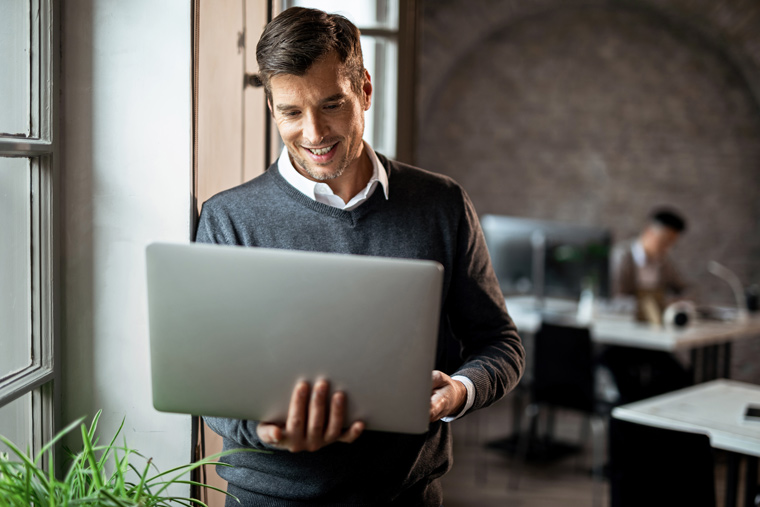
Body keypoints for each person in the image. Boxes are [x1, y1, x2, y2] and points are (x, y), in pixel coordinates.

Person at [194, 7, 525, 505]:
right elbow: (206, 378)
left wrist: (456, 393)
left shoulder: (441, 204)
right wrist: (264, 430)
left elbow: (500, 344)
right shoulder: (228, 219)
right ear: (271, 108)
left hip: (406, 498)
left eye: (332, 104)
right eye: (290, 112)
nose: (313, 134)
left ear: (364, 89)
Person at [601, 207, 692, 404]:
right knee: (630, 392)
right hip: (620, 343)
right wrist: (655, 304)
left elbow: (685, 289)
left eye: (672, 243)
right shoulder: (621, 257)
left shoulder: (663, 262)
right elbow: (614, 302)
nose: (667, 247)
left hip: (650, 341)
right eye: (665, 241)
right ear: (649, 232)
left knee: (681, 379)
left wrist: (679, 301)